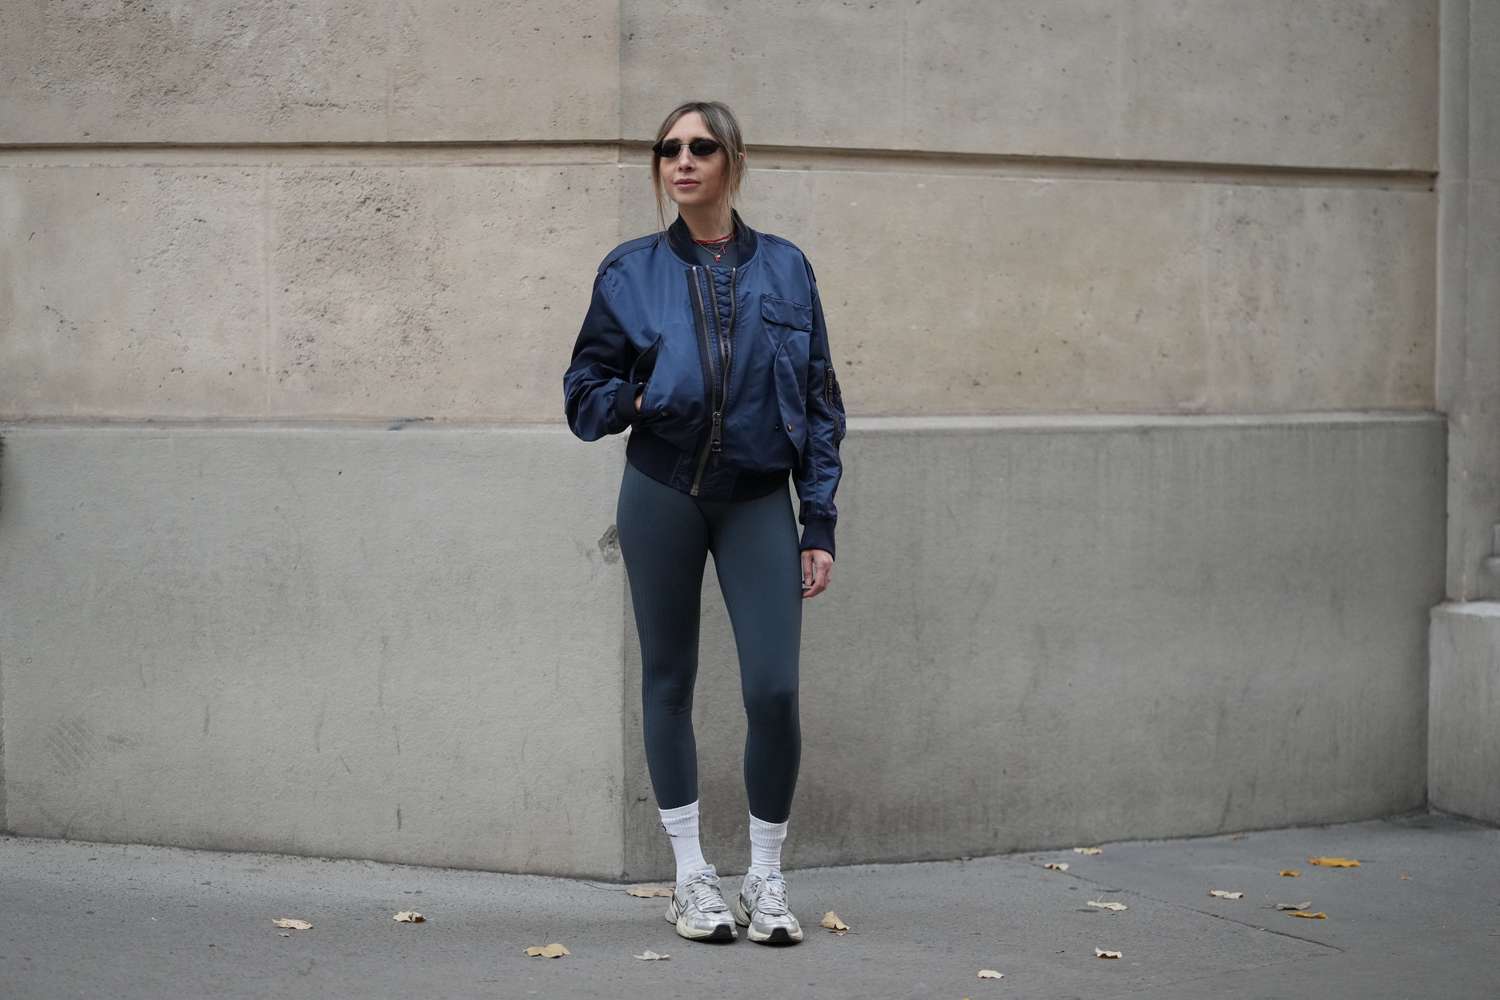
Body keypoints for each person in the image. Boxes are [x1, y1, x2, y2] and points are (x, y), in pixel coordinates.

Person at [563, 100, 846, 946]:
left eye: (700, 147)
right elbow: (583, 395)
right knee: (669, 680)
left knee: (775, 688)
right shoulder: (630, 271)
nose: (681, 161)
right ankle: (691, 876)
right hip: (663, 493)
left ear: (733, 161)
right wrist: (637, 398)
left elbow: (820, 400)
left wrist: (818, 521)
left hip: (758, 498)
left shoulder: (787, 268)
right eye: (668, 149)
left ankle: (765, 876)